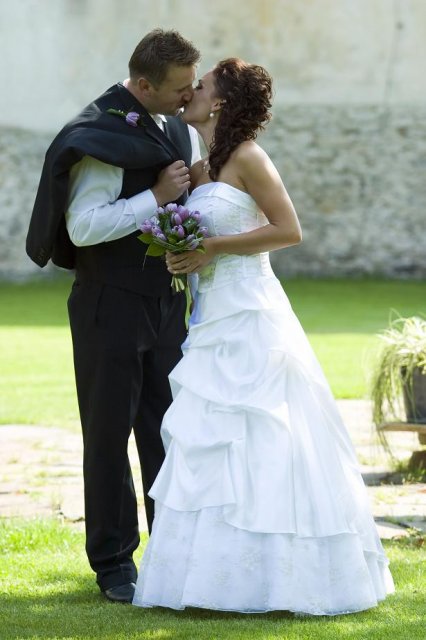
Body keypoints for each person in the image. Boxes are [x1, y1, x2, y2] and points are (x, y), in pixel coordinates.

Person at [132, 58, 395, 615]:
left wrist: (213, 248)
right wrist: (180, 252)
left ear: (221, 102)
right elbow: (191, 232)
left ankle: (283, 575)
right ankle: (211, 578)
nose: (190, 91)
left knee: (267, 433)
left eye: (202, 85)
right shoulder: (199, 170)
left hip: (251, 311)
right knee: (211, 436)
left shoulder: (249, 157)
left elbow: (288, 230)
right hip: (209, 316)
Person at [26, 29, 201, 603]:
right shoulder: (98, 134)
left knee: (166, 430)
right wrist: (156, 196)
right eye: (178, 88)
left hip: (166, 303)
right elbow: (83, 227)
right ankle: (114, 564)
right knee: (107, 435)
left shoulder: (177, 127)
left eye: (192, 84)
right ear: (143, 85)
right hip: (109, 304)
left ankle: (170, 555)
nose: (188, 96)